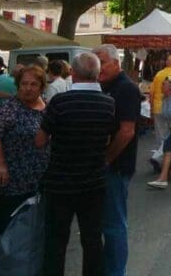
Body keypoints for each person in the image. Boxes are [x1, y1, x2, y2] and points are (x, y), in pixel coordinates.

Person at [36, 52, 115, 276]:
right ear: (97, 74)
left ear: (73, 73)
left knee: (56, 239)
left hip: (60, 182)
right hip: (93, 181)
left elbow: (40, 141)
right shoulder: (108, 103)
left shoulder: (60, 102)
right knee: (92, 239)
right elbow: (107, 139)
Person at [93, 44, 140, 276]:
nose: (98, 67)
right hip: (104, 167)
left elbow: (127, 131)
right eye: (95, 62)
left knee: (113, 225)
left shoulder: (126, 88)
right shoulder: (102, 86)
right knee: (104, 224)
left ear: (116, 63)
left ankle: (116, 272)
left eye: (102, 62)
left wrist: (107, 159)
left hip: (116, 167)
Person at [0, 66, 49, 234]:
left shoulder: (47, 108)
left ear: (42, 87)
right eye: (24, 84)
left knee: (38, 228)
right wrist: (0, 165)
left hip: (40, 176)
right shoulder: (9, 109)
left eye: (33, 84)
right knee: (12, 229)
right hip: (13, 178)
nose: (28, 88)